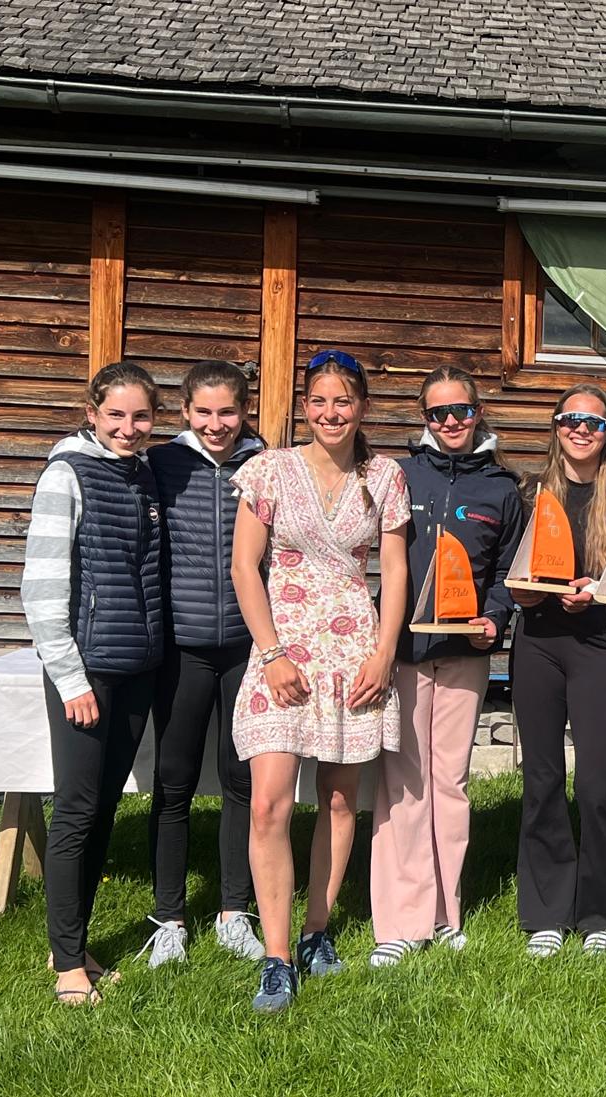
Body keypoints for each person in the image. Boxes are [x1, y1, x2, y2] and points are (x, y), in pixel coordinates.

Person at [229, 349, 410, 1012]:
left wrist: (384, 653)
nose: (331, 413)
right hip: (284, 652)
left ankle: (316, 931)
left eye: (344, 401)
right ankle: (275, 957)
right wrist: (272, 653)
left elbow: (394, 570)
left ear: (361, 408)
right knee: (270, 801)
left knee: (339, 799)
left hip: (356, 653)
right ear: (305, 406)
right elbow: (246, 567)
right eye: (320, 401)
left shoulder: (385, 475)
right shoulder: (269, 470)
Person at [369, 367, 523, 967]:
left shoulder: (502, 489)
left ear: (477, 413)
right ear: (423, 419)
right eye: (438, 413)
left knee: (449, 782)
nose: (451, 422)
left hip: (464, 655)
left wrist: (496, 618)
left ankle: (445, 911)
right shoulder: (398, 476)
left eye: (460, 411)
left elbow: (509, 572)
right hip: (402, 651)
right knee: (403, 781)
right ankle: (401, 920)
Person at [22, 361, 164, 1005]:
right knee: (76, 812)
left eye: (140, 417)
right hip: (87, 673)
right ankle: (66, 963)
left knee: (105, 809)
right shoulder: (66, 475)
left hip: (136, 667)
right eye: (117, 416)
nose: (129, 428)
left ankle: (77, 945)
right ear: (92, 413)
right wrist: (70, 677)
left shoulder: (143, 476)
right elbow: (43, 589)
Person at [137, 361, 266, 968]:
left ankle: (235, 912)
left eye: (229, 412)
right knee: (174, 784)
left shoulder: (266, 467)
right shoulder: (160, 464)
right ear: (185, 412)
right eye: (205, 412)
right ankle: (169, 916)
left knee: (242, 780)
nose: (217, 425)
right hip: (183, 648)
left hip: (246, 647)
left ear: (246, 412)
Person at [511, 384, 606, 957]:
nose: (581, 430)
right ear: (555, 427)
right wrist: (525, 595)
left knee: (595, 784)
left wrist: (602, 591)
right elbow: (506, 573)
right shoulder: (529, 493)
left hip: (597, 644)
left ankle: (602, 912)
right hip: (537, 642)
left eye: (594, 422)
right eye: (570, 420)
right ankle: (546, 911)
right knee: (541, 779)